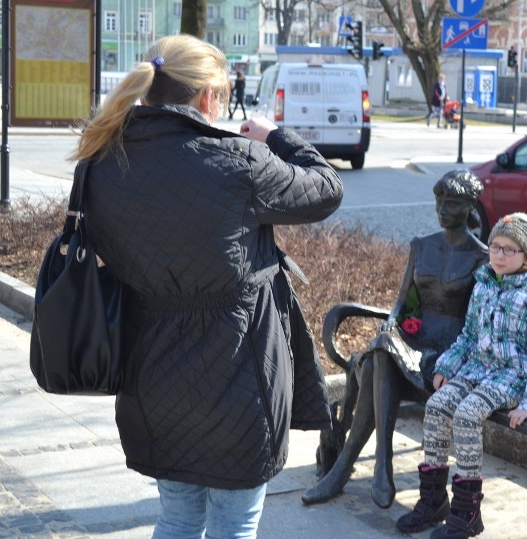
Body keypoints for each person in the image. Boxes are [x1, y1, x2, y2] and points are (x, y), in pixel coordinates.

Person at [68, 34, 343, 539]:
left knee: (177, 518)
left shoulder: (100, 163)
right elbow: (326, 190)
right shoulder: (238, 161)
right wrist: (275, 135)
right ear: (207, 97)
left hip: (150, 376)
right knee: (234, 524)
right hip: (239, 377)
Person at [302, 169, 489, 509]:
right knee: (383, 350)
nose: (443, 209)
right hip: (411, 342)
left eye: (452, 203)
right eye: (439, 201)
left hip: (450, 352)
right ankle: (380, 466)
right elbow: (401, 303)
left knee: (376, 362)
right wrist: (391, 324)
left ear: (470, 206)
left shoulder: (481, 256)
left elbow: (479, 320)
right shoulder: (422, 246)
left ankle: (350, 469)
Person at [396, 212, 527, 538]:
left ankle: (467, 512)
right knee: (437, 406)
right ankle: (433, 501)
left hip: (513, 377)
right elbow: (469, 337)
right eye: (496, 247)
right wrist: (447, 367)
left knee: (466, 414)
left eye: (510, 250)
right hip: (478, 369)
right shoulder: (485, 284)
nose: (500, 256)